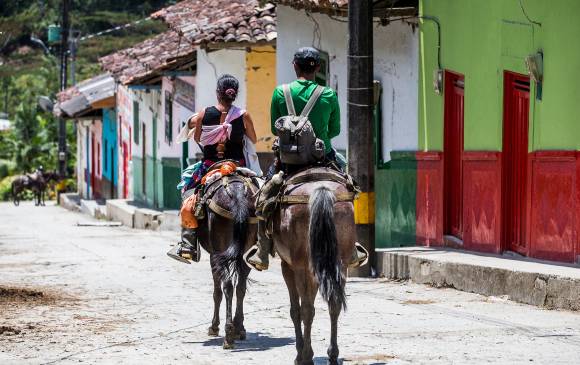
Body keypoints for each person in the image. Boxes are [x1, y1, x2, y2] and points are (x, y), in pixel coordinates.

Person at [245, 47, 368, 271]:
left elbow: (276, 125)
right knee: (350, 189)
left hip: (289, 161)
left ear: (294, 66)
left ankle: (262, 250)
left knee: (263, 196)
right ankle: (353, 245)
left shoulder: (280, 92)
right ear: (318, 68)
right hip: (323, 157)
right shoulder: (328, 94)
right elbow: (334, 130)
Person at [167, 74, 257, 264]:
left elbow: (198, 138)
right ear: (235, 94)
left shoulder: (202, 114)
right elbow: (253, 139)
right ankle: (263, 242)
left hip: (210, 167)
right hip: (237, 167)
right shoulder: (244, 115)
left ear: (218, 93)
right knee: (262, 195)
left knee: (188, 194)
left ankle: (188, 243)